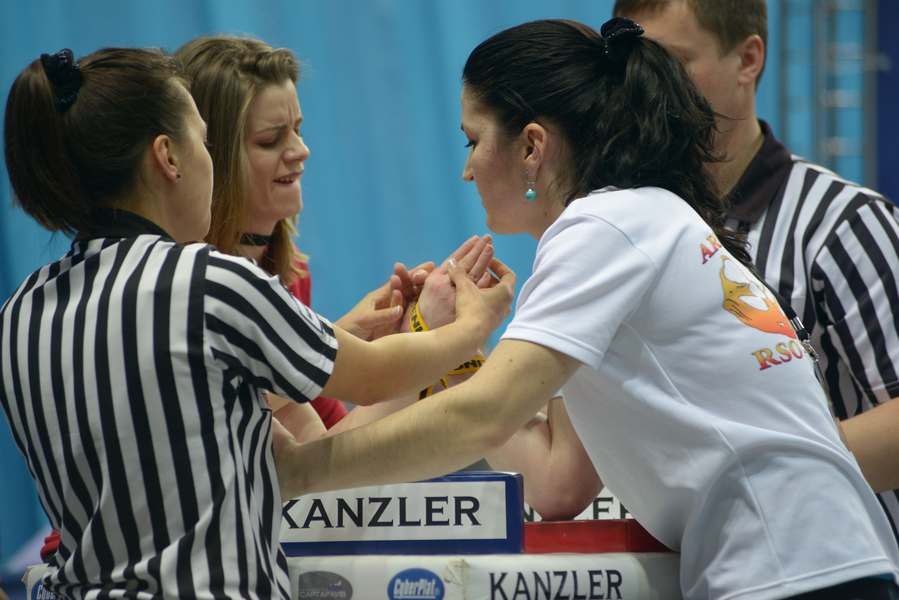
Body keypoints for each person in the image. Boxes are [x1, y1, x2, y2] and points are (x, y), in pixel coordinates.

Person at [273, 18, 899, 599]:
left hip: (790, 568)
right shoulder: (632, 219)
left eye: (472, 140)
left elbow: (486, 417)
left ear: (532, 147)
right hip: (821, 561)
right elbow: (558, 482)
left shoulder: (603, 226)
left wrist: (298, 472)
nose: (465, 170)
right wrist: (463, 358)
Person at [0, 47, 513, 597]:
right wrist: (467, 325)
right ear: (168, 156)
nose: (211, 162)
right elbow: (376, 378)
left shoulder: (19, 312)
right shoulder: (206, 280)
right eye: (204, 141)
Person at [614, 0, 899, 537]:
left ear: (748, 60)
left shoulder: (842, 224)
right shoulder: (622, 229)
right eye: (632, 63)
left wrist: (740, 478)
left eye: (672, 62)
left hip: (838, 566)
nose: (645, 89)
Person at [172, 35, 496, 439]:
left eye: (297, 130)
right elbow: (202, 419)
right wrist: (349, 342)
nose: (301, 150)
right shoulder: (183, 287)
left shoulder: (292, 277)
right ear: (208, 154)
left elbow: (333, 452)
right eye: (271, 140)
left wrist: (412, 339)